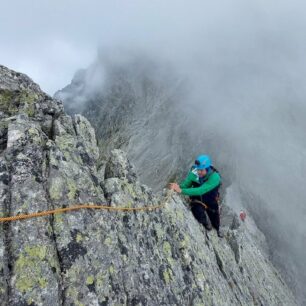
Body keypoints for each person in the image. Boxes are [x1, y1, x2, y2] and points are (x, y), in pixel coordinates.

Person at [169, 154, 223, 237]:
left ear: (207, 169)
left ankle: (217, 229)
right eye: (198, 169)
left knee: (214, 216)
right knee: (197, 211)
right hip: (197, 198)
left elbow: (201, 190)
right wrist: (177, 187)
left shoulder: (215, 177)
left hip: (210, 198)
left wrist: (181, 190)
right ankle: (206, 224)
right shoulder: (194, 172)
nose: (199, 172)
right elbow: (186, 184)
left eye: (201, 170)